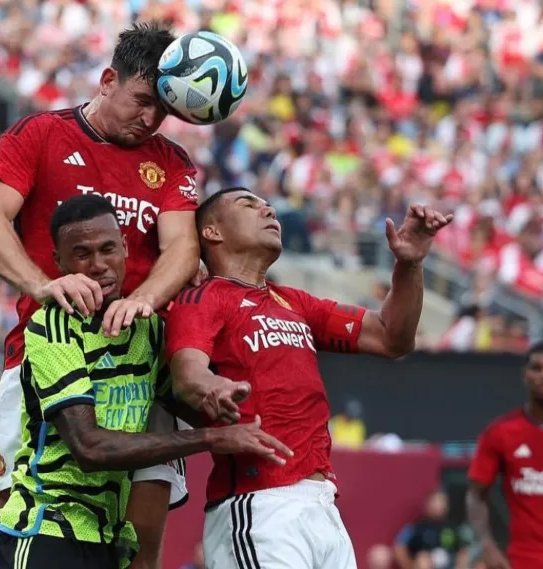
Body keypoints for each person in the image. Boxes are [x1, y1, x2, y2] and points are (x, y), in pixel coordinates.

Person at [0, 21, 201, 569]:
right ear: (107, 79)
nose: (150, 119)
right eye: (142, 101)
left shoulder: (171, 162)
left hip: (140, 375)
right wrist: (43, 285)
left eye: (162, 110)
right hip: (44, 360)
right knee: (16, 522)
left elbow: (182, 251)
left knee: (139, 552)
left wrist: (144, 299)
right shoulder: (40, 135)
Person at [0, 195, 287, 569]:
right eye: (81, 254)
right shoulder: (52, 326)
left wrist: (219, 397)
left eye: (108, 249)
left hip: (106, 539)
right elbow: (90, 447)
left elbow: (189, 402)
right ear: (59, 262)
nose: (98, 265)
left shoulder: (148, 329)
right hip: (43, 532)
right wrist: (214, 438)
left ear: (126, 248)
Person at [164, 187, 453, 569]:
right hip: (260, 505)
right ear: (212, 232)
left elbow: (391, 338)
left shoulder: (295, 302)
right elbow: (188, 373)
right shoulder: (205, 298)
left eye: (267, 204)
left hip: (323, 508)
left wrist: (410, 265)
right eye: (248, 204)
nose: (267, 209)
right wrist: (211, 386)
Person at [466, 340, 543, 569]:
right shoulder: (501, 432)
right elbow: (476, 494)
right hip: (521, 561)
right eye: (536, 368)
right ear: (524, 375)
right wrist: (486, 546)